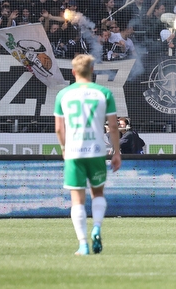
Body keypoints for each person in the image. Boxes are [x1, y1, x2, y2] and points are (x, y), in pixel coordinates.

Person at [54, 54, 121, 256]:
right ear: (92, 70)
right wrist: (116, 152)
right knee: (98, 194)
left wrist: (64, 149)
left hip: (74, 151)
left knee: (77, 200)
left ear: (73, 72)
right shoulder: (104, 93)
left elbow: (59, 128)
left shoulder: (63, 95)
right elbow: (113, 127)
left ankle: (83, 244)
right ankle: (97, 227)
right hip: (97, 150)